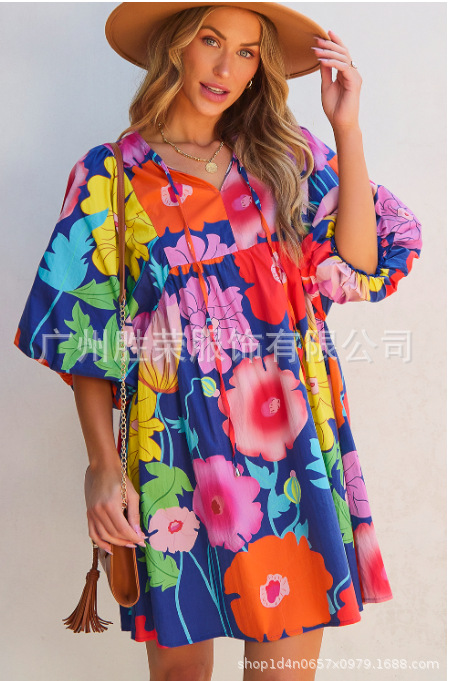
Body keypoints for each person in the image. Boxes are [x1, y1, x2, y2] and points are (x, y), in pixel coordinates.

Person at [14, 2, 422, 679]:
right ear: (175, 46)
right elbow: (84, 329)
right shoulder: (111, 175)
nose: (226, 67)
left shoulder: (285, 156)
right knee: (180, 675)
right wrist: (100, 467)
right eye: (210, 40)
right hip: (173, 445)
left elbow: (357, 265)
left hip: (289, 439)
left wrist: (345, 129)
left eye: (247, 51)